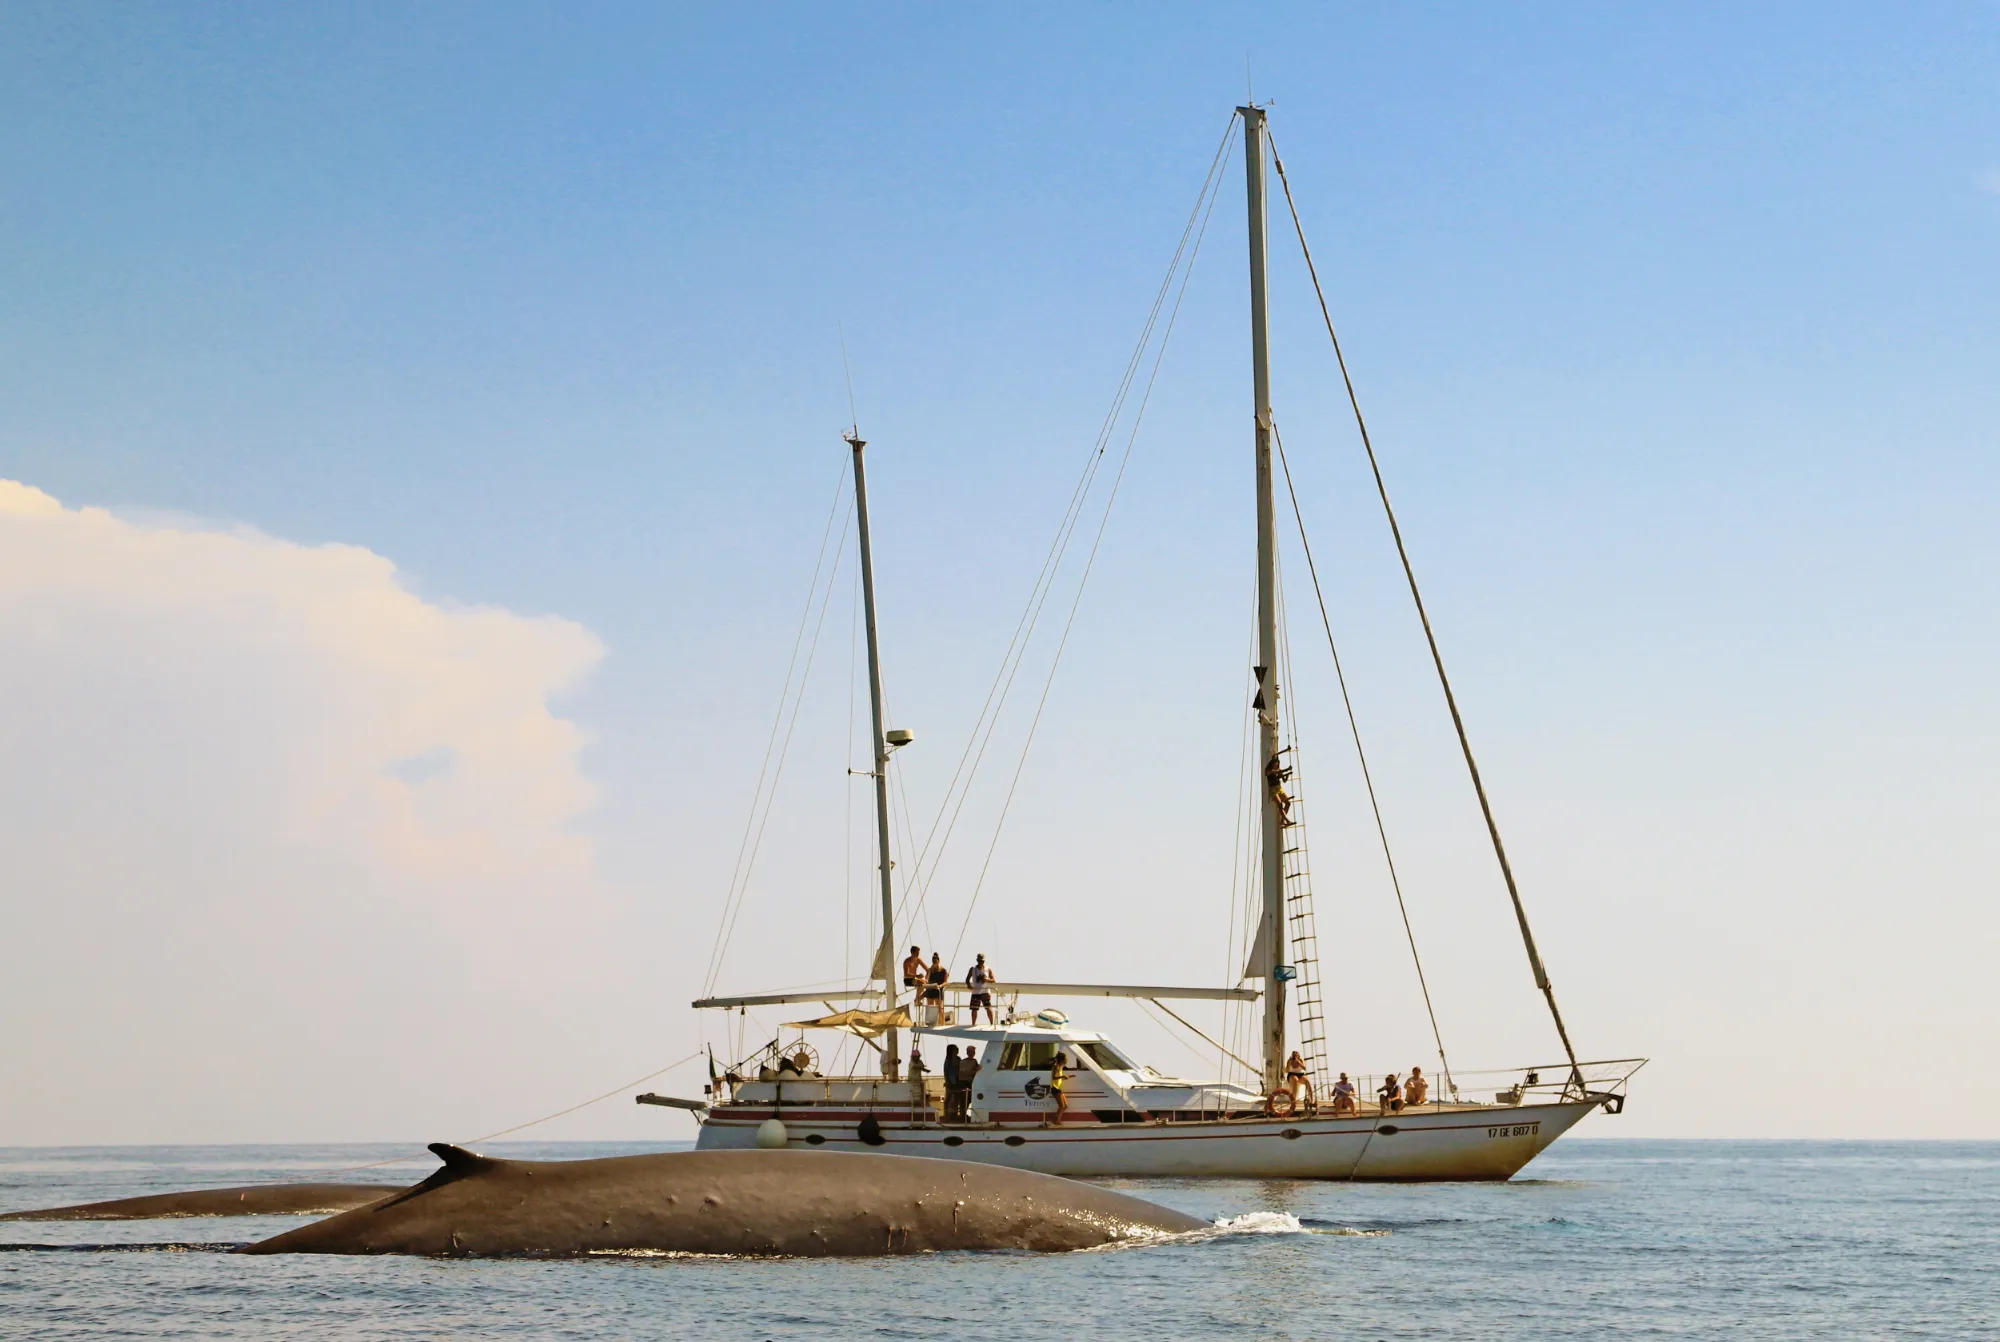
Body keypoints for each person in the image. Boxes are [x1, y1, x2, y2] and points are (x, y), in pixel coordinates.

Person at [967, 953, 997, 1026]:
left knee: (988, 1007)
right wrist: (969, 986)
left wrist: (986, 979)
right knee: (974, 1008)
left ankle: (991, 1023)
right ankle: (973, 1024)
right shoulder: (973, 969)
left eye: (982, 961)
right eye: (979, 961)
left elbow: (993, 980)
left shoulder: (988, 969)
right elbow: (967, 979)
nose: (981, 962)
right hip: (975, 992)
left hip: (985, 991)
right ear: (977, 961)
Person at [924, 953, 949, 1027]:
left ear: (938, 961)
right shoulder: (930, 970)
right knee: (930, 1007)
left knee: (940, 1008)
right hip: (930, 989)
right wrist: (930, 970)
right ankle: (931, 1023)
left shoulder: (943, 970)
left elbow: (946, 981)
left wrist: (940, 986)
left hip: (938, 990)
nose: (934, 963)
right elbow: (926, 979)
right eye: (933, 961)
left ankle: (942, 1023)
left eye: (935, 961)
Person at [959, 1046, 982, 1121]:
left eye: (973, 1052)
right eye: (971, 1052)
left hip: (971, 1084)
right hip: (964, 1083)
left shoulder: (974, 1061)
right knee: (964, 1101)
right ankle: (962, 1117)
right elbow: (963, 1074)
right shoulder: (963, 1062)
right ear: (967, 1052)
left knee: (970, 1100)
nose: (972, 1053)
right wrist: (975, 1071)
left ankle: (965, 1116)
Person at [907, 1042, 930, 1117]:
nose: (918, 1058)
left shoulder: (920, 1062)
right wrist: (921, 1067)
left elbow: (921, 1067)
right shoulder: (911, 1062)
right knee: (912, 1094)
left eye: (918, 1056)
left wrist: (926, 1070)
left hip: (918, 1080)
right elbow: (915, 1067)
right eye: (916, 1056)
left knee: (921, 1092)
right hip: (911, 1081)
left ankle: (921, 1103)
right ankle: (913, 1104)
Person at [1047, 1050, 1069, 1124]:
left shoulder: (1060, 1067)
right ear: (1062, 1060)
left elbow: (1058, 1077)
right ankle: (1057, 1121)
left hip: (1059, 1088)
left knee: (1065, 1106)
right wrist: (1062, 1076)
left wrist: (1066, 1077)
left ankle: (1055, 1119)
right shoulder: (1056, 1066)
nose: (1066, 1061)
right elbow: (1054, 1077)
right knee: (1062, 1106)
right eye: (1065, 1059)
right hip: (1055, 1089)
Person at [942, 1044, 962, 1122]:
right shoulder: (948, 1060)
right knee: (948, 1099)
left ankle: (956, 1114)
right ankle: (946, 1115)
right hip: (950, 1081)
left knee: (956, 1099)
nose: (957, 1050)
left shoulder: (958, 1059)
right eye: (955, 1049)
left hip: (958, 1081)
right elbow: (946, 1071)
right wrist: (947, 1081)